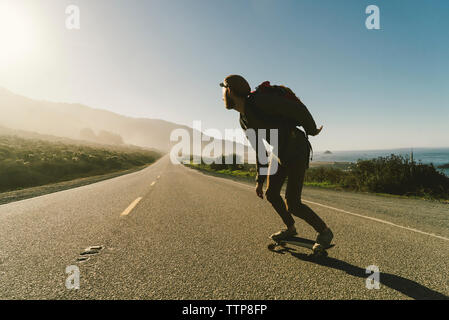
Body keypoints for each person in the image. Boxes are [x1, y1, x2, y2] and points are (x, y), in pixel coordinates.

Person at [220, 74, 333, 246]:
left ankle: (324, 232)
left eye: (223, 90)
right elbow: (260, 150)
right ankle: (291, 228)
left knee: (293, 203)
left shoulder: (260, 101)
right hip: (279, 152)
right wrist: (259, 180)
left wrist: (311, 129)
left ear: (230, 92)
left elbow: (297, 110)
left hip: (296, 147)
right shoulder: (243, 120)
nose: (221, 95)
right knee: (271, 194)